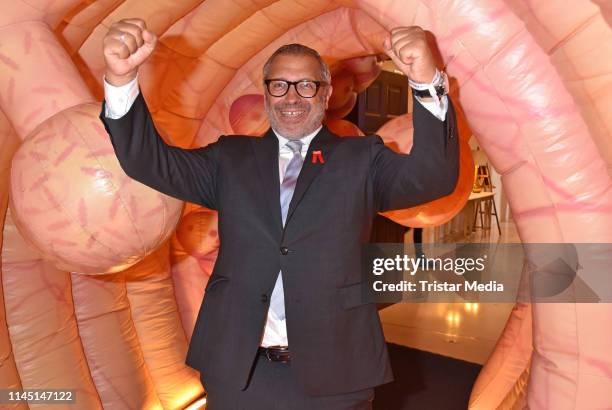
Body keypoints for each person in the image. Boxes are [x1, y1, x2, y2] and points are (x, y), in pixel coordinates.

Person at [100, 18, 458, 410]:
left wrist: (425, 82)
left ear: (325, 94)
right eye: (279, 85)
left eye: (306, 85)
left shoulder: (360, 158)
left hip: (336, 373)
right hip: (240, 373)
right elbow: (148, 161)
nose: (292, 96)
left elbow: (433, 177)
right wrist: (122, 79)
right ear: (267, 94)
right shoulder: (229, 158)